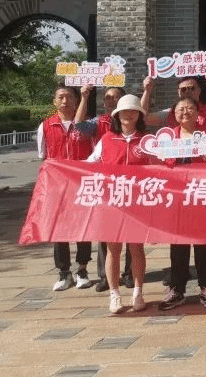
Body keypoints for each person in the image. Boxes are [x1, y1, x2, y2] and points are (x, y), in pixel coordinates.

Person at [154, 95, 206, 311]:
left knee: (204, 243)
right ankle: (177, 288)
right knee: (178, 244)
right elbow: (155, 165)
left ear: (198, 113)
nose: (185, 112)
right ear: (173, 114)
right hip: (176, 200)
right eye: (180, 109)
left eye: (189, 108)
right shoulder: (166, 138)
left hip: (201, 197)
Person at [84, 94, 152, 313]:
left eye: (133, 111)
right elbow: (90, 164)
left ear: (139, 115)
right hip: (112, 203)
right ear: (117, 115)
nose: (128, 115)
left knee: (136, 248)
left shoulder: (147, 141)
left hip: (138, 203)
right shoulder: (106, 139)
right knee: (113, 250)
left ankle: (138, 292)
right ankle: (114, 295)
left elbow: (159, 167)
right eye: (124, 111)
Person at [75, 84, 133, 293]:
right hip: (104, 183)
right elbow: (79, 126)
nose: (110, 100)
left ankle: (130, 273)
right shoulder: (99, 123)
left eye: (114, 97)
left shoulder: (132, 122)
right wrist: (84, 97)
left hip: (129, 184)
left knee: (132, 231)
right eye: (107, 97)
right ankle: (105, 276)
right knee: (105, 230)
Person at [37, 85, 94, 292]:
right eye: (60, 97)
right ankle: (64, 272)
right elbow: (43, 156)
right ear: (54, 101)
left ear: (76, 100)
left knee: (83, 227)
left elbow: (95, 153)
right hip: (57, 186)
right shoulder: (46, 126)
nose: (65, 101)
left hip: (81, 184)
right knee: (59, 229)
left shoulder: (87, 125)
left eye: (69, 97)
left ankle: (82, 270)